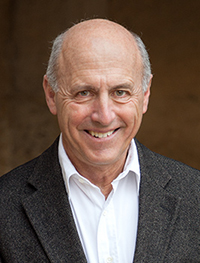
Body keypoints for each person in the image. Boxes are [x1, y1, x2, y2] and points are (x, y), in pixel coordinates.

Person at [0, 19, 199, 263]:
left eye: (120, 92)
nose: (104, 116)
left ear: (145, 95)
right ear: (51, 94)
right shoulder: (4, 206)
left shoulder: (195, 196)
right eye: (84, 92)